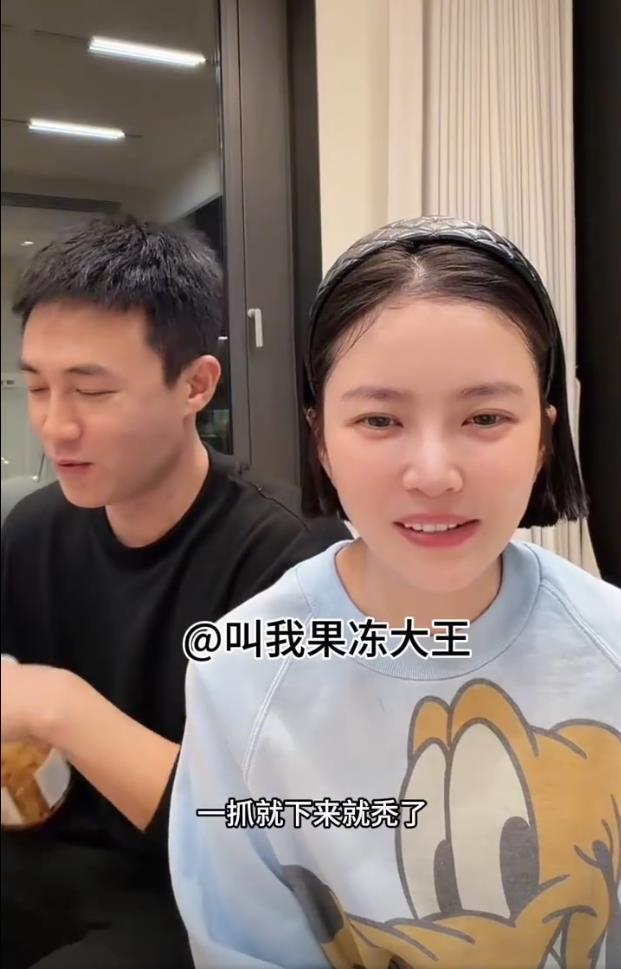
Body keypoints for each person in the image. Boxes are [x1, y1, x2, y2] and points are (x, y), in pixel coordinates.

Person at [168, 216, 621, 969]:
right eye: (379, 419)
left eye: (485, 417)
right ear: (320, 437)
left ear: (543, 437)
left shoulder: (610, 648)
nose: (434, 474)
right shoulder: (240, 676)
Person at [0, 215, 349, 969]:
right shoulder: (33, 530)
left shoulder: (288, 560)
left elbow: (268, 838)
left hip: (194, 898)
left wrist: (61, 705)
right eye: (37, 387)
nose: (55, 426)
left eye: (91, 390)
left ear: (195, 385)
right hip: (42, 856)